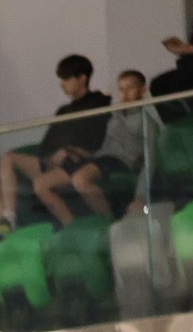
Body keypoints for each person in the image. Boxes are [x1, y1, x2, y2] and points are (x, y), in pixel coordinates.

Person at [0, 56, 111, 230]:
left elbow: (94, 140)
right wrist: (50, 157)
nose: (62, 84)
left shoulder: (99, 103)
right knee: (0, 167)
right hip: (50, 161)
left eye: (66, 78)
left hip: (76, 162)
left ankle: (71, 228)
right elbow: (48, 142)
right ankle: (7, 221)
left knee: (40, 183)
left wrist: (68, 150)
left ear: (82, 78)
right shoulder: (64, 110)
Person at [33, 69, 152, 223]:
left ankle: (109, 223)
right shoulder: (113, 116)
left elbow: (150, 160)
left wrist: (140, 196)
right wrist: (82, 153)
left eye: (130, 88)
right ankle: (72, 226)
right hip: (100, 158)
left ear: (143, 90)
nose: (125, 94)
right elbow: (103, 146)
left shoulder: (146, 122)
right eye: (121, 89)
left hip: (122, 161)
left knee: (80, 179)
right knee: (41, 184)